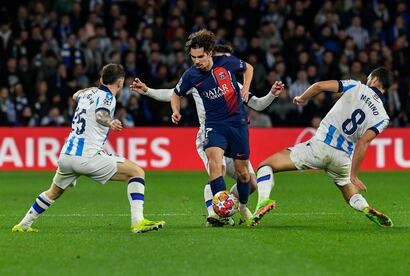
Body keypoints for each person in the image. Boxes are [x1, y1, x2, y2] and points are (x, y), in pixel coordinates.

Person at [129, 44, 284, 226]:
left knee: (250, 183)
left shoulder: (236, 83)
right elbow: (173, 93)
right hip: (209, 132)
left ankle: (238, 207)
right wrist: (148, 91)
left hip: (234, 129)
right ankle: (215, 214)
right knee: (217, 169)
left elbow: (257, 104)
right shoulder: (196, 78)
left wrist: (272, 95)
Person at [12, 64, 165, 234]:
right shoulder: (108, 98)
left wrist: (92, 88)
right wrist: (110, 122)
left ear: (101, 80)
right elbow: (100, 114)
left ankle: (23, 224)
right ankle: (138, 222)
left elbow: (75, 94)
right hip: (87, 157)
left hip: (66, 156)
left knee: (54, 191)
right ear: (120, 83)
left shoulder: (87, 93)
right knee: (136, 172)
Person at [254, 67, 394, 227]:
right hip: (343, 159)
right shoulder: (383, 117)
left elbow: (319, 86)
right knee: (349, 193)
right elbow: (363, 143)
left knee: (266, 166)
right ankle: (365, 208)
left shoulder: (356, 86)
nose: (367, 81)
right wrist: (354, 175)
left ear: (374, 80)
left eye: (369, 78)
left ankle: (262, 201)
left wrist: (302, 98)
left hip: (319, 147)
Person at [170, 29, 257, 224]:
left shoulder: (227, 63)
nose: (197, 61)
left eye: (200, 56)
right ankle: (221, 213)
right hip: (214, 125)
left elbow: (249, 68)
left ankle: (242, 207)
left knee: (244, 174)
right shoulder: (191, 75)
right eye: (193, 57)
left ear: (210, 53)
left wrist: (246, 87)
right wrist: (176, 111)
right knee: (216, 167)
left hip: (237, 123)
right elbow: (176, 93)